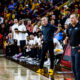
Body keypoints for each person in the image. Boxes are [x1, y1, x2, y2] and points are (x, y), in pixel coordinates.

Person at [64, 14, 80, 80]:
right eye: (70, 18)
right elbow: (68, 35)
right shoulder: (69, 27)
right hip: (72, 49)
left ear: (77, 18)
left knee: (77, 68)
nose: (71, 19)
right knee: (73, 68)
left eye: (73, 18)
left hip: (78, 49)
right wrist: (65, 40)